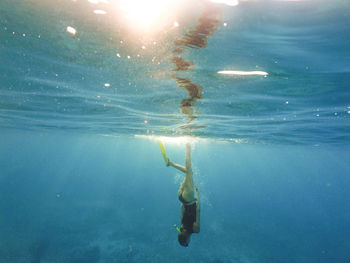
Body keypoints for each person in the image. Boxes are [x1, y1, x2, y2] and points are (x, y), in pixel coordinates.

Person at [159, 142, 200, 247]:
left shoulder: (195, 230)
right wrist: (185, 199)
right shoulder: (181, 227)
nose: (188, 243)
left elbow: (198, 210)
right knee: (188, 173)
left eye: (187, 243)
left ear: (187, 240)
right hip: (181, 198)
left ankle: (188, 147)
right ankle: (170, 163)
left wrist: (198, 196)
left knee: (189, 171)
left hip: (189, 198)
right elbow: (182, 209)